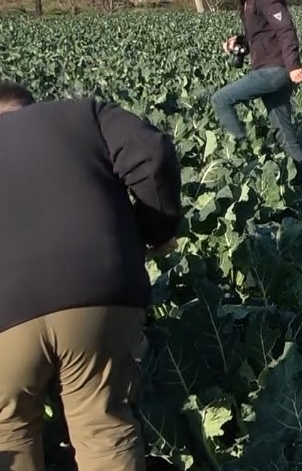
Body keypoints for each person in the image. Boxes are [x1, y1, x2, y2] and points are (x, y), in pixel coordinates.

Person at [0, 81, 183, 471]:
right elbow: (153, 153)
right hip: (98, 290)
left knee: (9, 433)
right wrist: (157, 230)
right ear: (32, 105)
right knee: (103, 430)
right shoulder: (81, 113)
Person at [210, 0, 302, 188]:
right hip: (270, 67)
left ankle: (243, 152)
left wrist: (293, 66)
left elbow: (285, 30)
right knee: (285, 136)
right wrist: (239, 42)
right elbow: (261, 36)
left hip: (275, 71)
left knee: (220, 99)